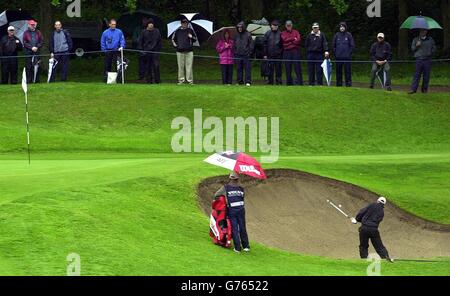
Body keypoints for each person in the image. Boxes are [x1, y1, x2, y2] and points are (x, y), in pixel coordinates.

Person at [213, 172, 250, 253]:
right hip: (241, 210)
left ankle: (237, 248)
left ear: (230, 178)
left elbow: (216, 195)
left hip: (232, 210)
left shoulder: (226, 187)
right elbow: (242, 197)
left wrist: (224, 200)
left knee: (234, 228)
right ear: (238, 179)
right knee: (242, 227)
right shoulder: (241, 188)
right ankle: (246, 246)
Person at [351, 197, 393, 262]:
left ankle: (364, 260)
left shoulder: (371, 205)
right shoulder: (382, 212)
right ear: (384, 204)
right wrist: (358, 220)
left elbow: (362, 212)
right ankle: (386, 258)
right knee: (379, 246)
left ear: (377, 201)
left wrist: (356, 219)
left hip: (364, 229)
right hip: (374, 230)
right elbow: (373, 221)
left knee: (363, 246)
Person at [409, 29, 436, 94]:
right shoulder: (416, 39)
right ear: (420, 32)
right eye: (421, 31)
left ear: (426, 32)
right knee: (417, 75)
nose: (423, 32)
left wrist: (430, 52)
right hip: (419, 59)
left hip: (427, 59)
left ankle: (424, 90)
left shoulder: (430, 39)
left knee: (426, 76)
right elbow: (412, 49)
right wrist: (417, 46)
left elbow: (434, 47)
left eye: (424, 31)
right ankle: (413, 89)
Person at [172, 18, 196, 85]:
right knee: (180, 67)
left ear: (187, 24)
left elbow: (195, 39)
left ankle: (189, 81)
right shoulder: (177, 31)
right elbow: (173, 40)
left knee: (189, 66)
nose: (184, 24)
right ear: (181, 23)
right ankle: (181, 80)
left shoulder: (190, 30)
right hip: (179, 51)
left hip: (189, 51)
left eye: (186, 23)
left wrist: (191, 37)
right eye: (183, 23)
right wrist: (176, 46)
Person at [138, 19, 162, 84]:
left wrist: (158, 50)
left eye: (152, 23)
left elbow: (159, 41)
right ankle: (149, 80)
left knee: (156, 66)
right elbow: (140, 42)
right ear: (147, 25)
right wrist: (141, 51)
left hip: (155, 52)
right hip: (146, 52)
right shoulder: (143, 32)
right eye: (149, 23)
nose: (151, 24)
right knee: (148, 67)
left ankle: (157, 80)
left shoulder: (157, 31)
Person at [332, 22, 355, 87]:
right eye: (340, 27)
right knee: (338, 72)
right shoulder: (336, 35)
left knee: (347, 72)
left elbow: (352, 46)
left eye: (343, 26)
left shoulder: (349, 35)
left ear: (345, 27)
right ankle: (339, 85)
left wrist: (348, 54)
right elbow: (333, 46)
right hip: (338, 58)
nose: (342, 28)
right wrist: (336, 53)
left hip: (347, 58)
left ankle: (348, 84)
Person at [281, 20, 303, 86]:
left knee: (297, 67)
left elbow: (298, 40)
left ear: (292, 25)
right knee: (288, 67)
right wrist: (293, 39)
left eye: (290, 25)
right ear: (285, 26)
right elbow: (284, 41)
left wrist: (289, 41)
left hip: (295, 51)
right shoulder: (283, 33)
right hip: (287, 52)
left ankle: (300, 83)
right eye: (287, 25)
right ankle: (289, 83)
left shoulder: (296, 32)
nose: (289, 26)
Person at [233, 21, 254, 86]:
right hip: (238, 54)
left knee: (247, 69)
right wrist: (235, 52)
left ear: (243, 27)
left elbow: (251, 45)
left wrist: (249, 53)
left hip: (246, 55)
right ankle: (240, 81)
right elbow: (234, 44)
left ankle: (248, 81)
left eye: (241, 27)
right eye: (238, 27)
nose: (239, 28)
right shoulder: (236, 35)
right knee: (239, 69)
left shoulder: (248, 34)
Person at [263, 20, 283, 85]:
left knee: (278, 69)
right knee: (269, 69)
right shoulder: (267, 33)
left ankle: (278, 82)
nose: (275, 27)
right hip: (269, 55)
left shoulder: (280, 33)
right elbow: (264, 44)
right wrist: (265, 54)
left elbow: (282, 45)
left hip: (278, 55)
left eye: (276, 26)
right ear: (271, 26)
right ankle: (270, 82)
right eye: (273, 25)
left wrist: (280, 52)